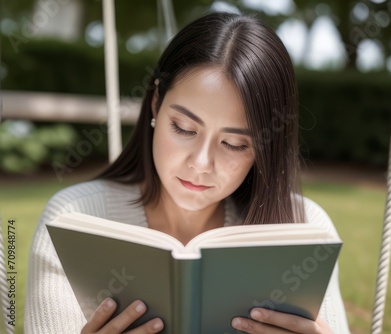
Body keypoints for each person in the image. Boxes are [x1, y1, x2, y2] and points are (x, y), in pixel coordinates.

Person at [25, 12, 350, 334]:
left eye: (234, 144)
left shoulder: (304, 228)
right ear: (155, 105)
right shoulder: (73, 218)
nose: (201, 163)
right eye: (183, 128)